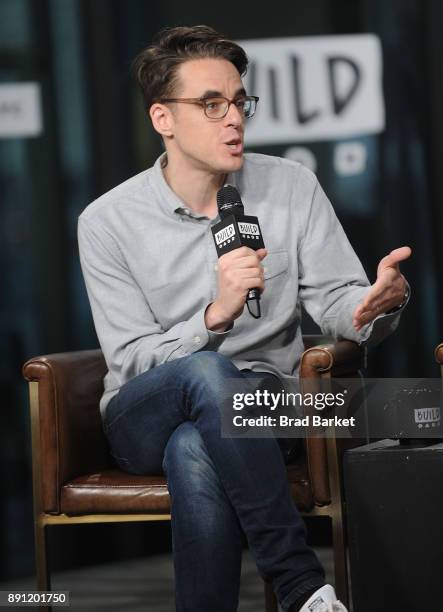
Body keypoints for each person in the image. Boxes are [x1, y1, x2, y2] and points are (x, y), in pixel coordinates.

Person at [78, 25, 410, 612]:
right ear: (163, 118)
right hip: (144, 411)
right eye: (211, 104)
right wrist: (216, 314)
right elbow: (130, 360)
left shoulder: (290, 186)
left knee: (197, 446)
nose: (233, 118)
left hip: (265, 408)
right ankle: (302, 586)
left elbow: (338, 301)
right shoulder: (107, 221)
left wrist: (373, 309)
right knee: (206, 375)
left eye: (239, 101)